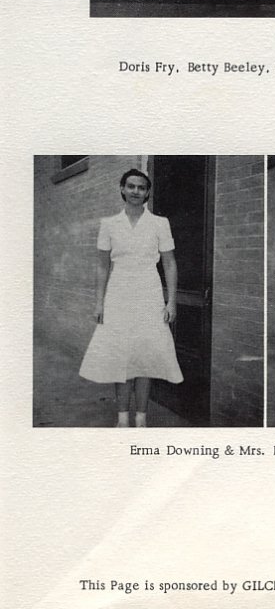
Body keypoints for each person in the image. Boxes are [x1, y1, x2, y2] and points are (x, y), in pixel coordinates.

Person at [79, 169, 182, 427]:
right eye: (131, 186)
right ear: (122, 189)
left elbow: (169, 264)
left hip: (149, 292)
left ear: (147, 193)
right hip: (119, 293)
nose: (136, 191)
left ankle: (141, 419)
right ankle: (122, 419)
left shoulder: (160, 223)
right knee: (120, 355)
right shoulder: (109, 224)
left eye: (141, 187)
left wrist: (171, 301)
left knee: (145, 356)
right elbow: (102, 266)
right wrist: (99, 302)